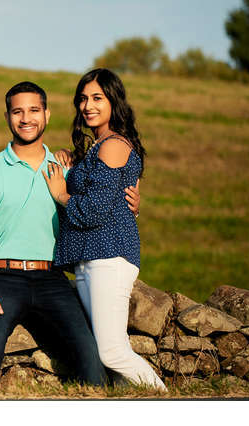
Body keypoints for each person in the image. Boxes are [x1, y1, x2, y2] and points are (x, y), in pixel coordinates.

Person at [0, 81, 139, 389]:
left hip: (52, 279)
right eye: (17, 111)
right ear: (7, 117)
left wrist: (135, 206)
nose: (26, 118)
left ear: (47, 114)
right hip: (3, 278)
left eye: (34, 110)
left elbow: (101, 204)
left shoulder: (66, 168)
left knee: (93, 367)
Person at [41, 68, 167, 390]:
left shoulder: (113, 146)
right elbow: (104, 199)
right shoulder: (98, 148)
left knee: (111, 352)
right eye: (83, 99)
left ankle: (169, 402)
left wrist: (61, 192)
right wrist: (71, 169)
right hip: (90, 259)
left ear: (114, 101)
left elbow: (95, 209)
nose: (88, 105)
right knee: (106, 350)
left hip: (108, 257)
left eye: (97, 97)